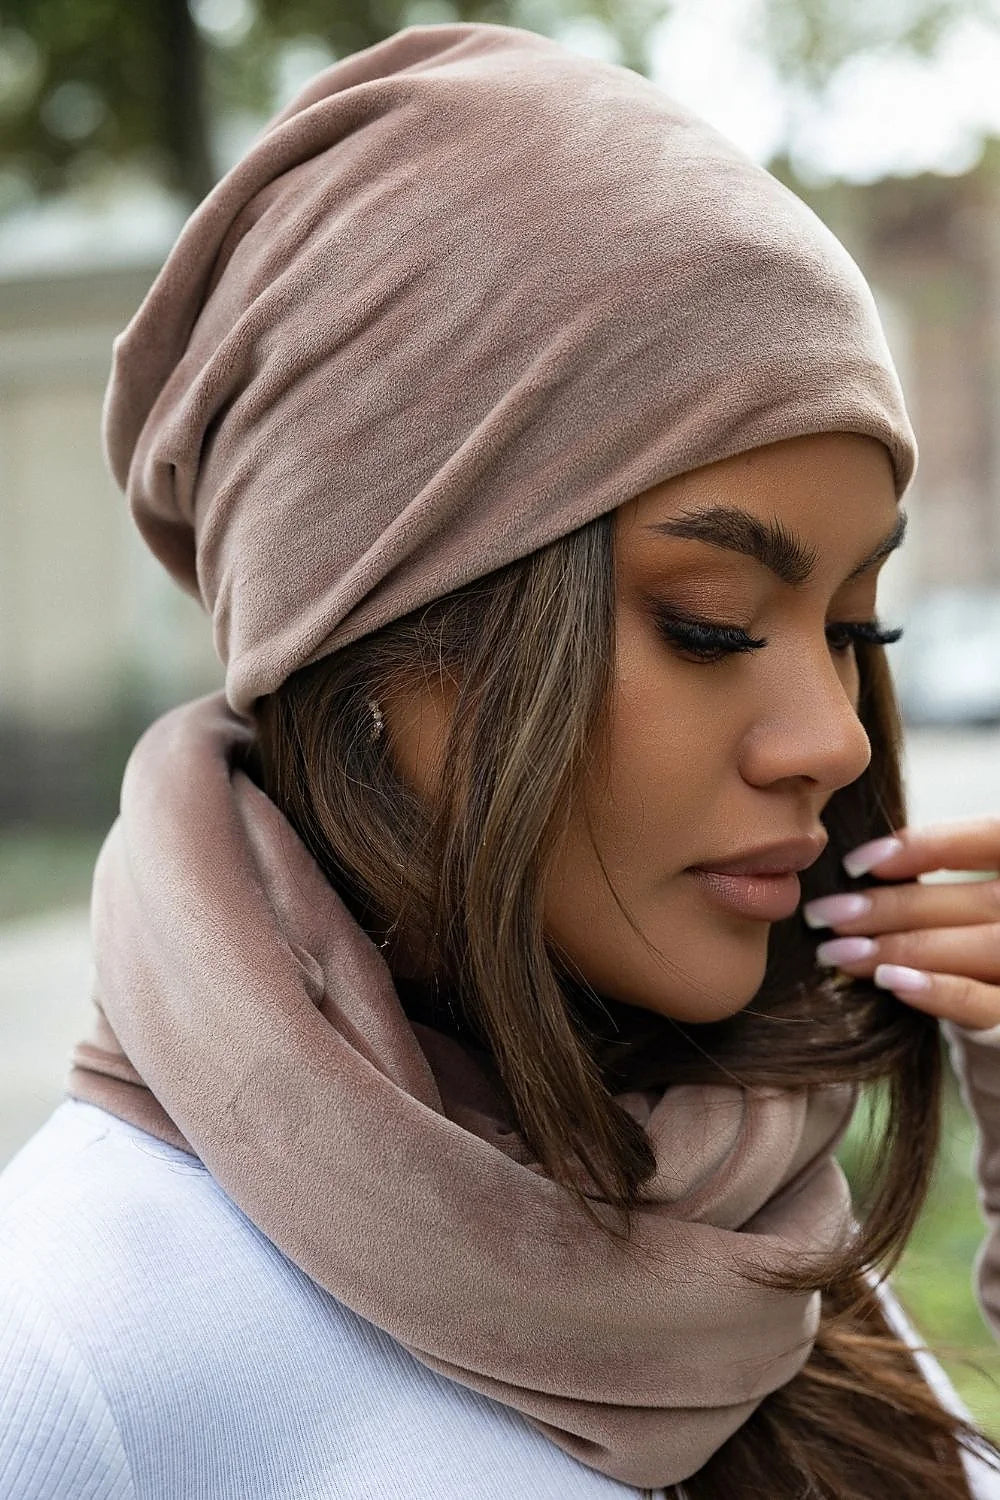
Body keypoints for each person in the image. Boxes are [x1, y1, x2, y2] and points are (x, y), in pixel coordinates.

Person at [1, 19, 999, 1500]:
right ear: (377, 642)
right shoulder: (70, 1358)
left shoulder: (761, 1241)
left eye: (860, 629)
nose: (838, 739)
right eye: (713, 624)